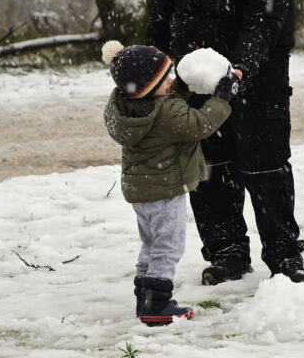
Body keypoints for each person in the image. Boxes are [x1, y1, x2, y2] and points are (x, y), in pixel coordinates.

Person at [146, 0, 304, 284]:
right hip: (195, 63)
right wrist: (154, 55)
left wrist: (240, 69)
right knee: (208, 161)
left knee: (264, 160)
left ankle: (284, 256)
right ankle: (227, 252)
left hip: (260, 66)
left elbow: (265, 19)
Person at [101, 40, 239, 326]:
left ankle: (145, 296)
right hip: (165, 188)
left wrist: (179, 86)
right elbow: (199, 123)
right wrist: (223, 98)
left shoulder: (127, 105)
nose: (172, 81)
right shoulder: (167, 114)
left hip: (141, 190)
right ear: (149, 87)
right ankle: (158, 303)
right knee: (169, 244)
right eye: (166, 78)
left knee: (151, 243)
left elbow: (164, 97)